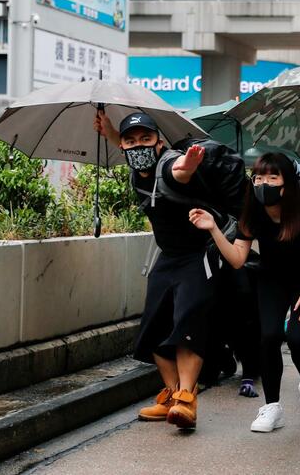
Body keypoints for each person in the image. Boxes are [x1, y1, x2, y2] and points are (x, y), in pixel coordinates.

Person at [188, 153, 300, 433]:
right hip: (272, 279)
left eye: (272, 177)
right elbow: (238, 259)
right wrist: (214, 229)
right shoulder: (252, 211)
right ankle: (272, 407)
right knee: (268, 337)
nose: (263, 183)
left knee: (297, 337)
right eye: (258, 177)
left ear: (287, 183)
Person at [94, 111, 215, 430]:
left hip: (195, 256)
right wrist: (108, 131)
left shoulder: (170, 162)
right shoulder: (136, 164)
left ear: (159, 142)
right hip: (168, 258)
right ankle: (173, 395)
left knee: (188, 325)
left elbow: (179, 171)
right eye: (131, 141)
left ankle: (187, 399)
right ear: (122, 147)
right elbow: (130, 151)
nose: (139, 146)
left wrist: (188, 166)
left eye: (146, 139)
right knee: (153, 331)